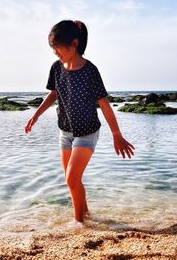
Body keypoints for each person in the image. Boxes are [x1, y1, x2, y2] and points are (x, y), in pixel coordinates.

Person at [24, 20, 135, 226]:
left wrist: (116, 134)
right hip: (65, 131)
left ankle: (78, 223)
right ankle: (86, 214)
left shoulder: (90, 71)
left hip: (87, 132)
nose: (55, 52)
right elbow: (53, 94)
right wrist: (36, 115)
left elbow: (105, 104)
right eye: (53, 48)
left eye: (58, 47)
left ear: (74, 43)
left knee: (71, 179)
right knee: (72, 180)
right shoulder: (56, 68)